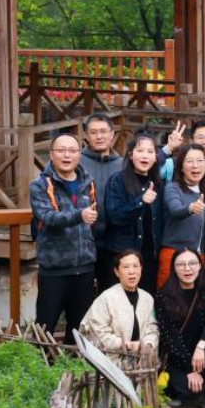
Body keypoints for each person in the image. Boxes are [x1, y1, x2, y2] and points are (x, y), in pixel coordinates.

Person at [30, 134, 98, 344]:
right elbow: (47, 217)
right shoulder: (40, 185)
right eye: (61, 150)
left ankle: (73, 365)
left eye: (72, 150)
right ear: (52, 154)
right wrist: (80, 216)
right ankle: (39, 365)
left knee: (79, 330)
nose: (67, 155)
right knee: (45, 329)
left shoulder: (88, 182)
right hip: (54, 269)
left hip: (84, 268)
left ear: (79, 154)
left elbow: (93, 219)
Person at [156, 248, 205, 408]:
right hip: (176, 355)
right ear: (174, 268)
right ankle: (174, 390)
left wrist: (201, 347)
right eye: (181, 264)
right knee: (189, 390)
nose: (187, 269)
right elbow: (170, 337)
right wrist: (189, 369)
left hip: (200, 351)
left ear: (200, 266)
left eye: (192, 263)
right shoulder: (164, 296)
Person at [103, 132, 163, 294]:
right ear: (130, 155)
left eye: (150, 151)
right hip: (122, 257)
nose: (145, 155)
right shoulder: (117, 180)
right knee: (119, 303)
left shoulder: (157, 183)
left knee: (145, 302)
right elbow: (114, 216)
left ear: (155, 157)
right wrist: (140, 201)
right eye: (140, 150)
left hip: (149, 258)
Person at [80, 250, 159, 352]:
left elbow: (153, 329)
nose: (132, 271)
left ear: (141, 269)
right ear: (117, 272)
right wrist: (125, 344)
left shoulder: (147, 298)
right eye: (126, 267)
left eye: (135, 266)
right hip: (111, 358)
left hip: (142, 358)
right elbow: (97, 332)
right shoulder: (106, 298)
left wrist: (147, 344)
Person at [78, 113, 123, 291]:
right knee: (82, 295)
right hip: (82, 240)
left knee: (111, 293)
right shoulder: (76, 161)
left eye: (103, 131)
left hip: (114, 242)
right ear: (86, 136)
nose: (99, 136)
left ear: (112, 134)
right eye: (93, 132)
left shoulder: (123, 164)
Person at [159, 144, 205, 289]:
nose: (195, 165)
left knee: (196, 298)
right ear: (181, 167)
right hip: (173, 253)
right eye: (189, 161)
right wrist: (190, 208)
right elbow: (175, 209)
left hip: (198, 256)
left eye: (200, 161)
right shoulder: (173, 188)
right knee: (168, 297)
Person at [160, 120, 205, 189]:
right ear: (191, 141)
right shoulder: (173, 164)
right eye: (200, 137)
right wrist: (168, 148)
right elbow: (155, 174)